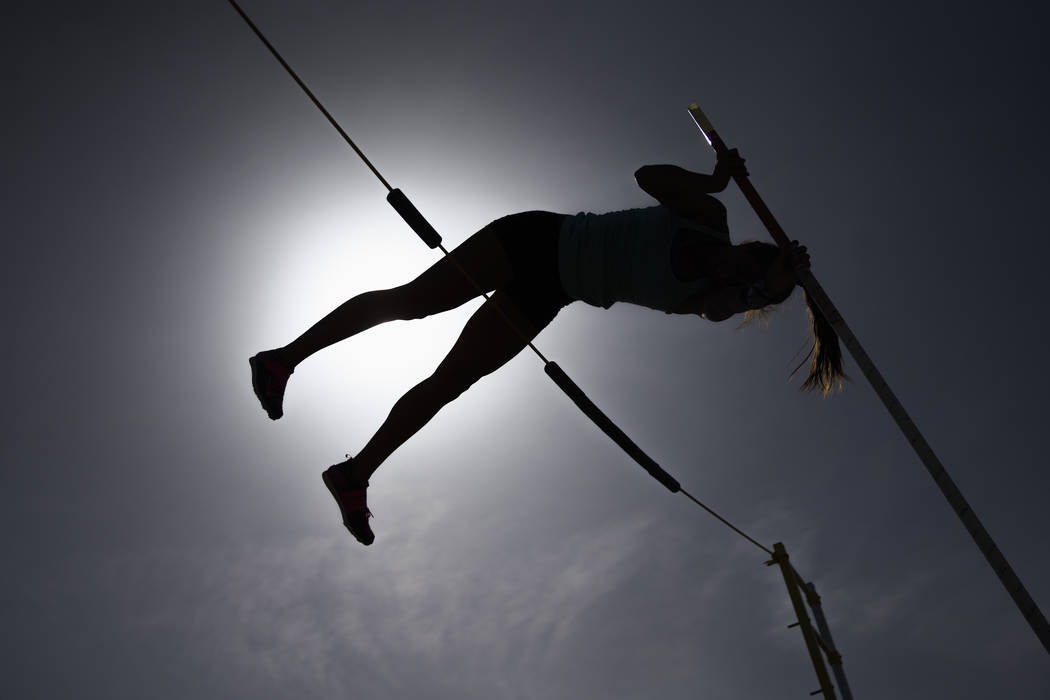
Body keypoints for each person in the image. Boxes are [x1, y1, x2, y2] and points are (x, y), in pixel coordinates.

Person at [249, 149, 843, 545]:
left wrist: (775, 284)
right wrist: (713, 179)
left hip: (550, 292)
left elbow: (723, 308)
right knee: (414, 302)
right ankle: (283, 359)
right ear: (748, 247)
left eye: (748, 286)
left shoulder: (705, 299)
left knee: (449, 384)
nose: (733, 270)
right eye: (746, 263)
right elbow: (648, 178)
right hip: (536, 239)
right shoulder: (708, 217)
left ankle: (355, 473)